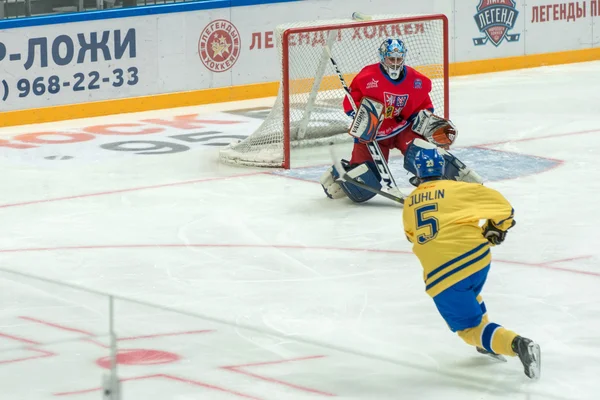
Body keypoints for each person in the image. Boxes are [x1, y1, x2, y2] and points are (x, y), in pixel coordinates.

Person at [402, 147, 541, 380]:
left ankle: (518, 345)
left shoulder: (408, 205)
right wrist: (496, 228)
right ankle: (487, 342)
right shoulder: (459, 189)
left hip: (444, 274)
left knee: (468, 329)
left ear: (417, 173)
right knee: (470, 294)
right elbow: (504, 209)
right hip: (477, 259)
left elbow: (412, 236)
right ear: (443, 169)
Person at [320, 37, 471, 203]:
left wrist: (426, 122)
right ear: (382, 57)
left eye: (399, 59)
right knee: (361, 186)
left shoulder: (416, 80)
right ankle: (337, 172)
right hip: (373, 134)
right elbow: (350, 105)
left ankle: (434, 182)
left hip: (403, 129)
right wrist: (360, 119)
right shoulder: (367, 77)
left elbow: (424, 106)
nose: (395, 63)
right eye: (391, 59)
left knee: (424, 154)